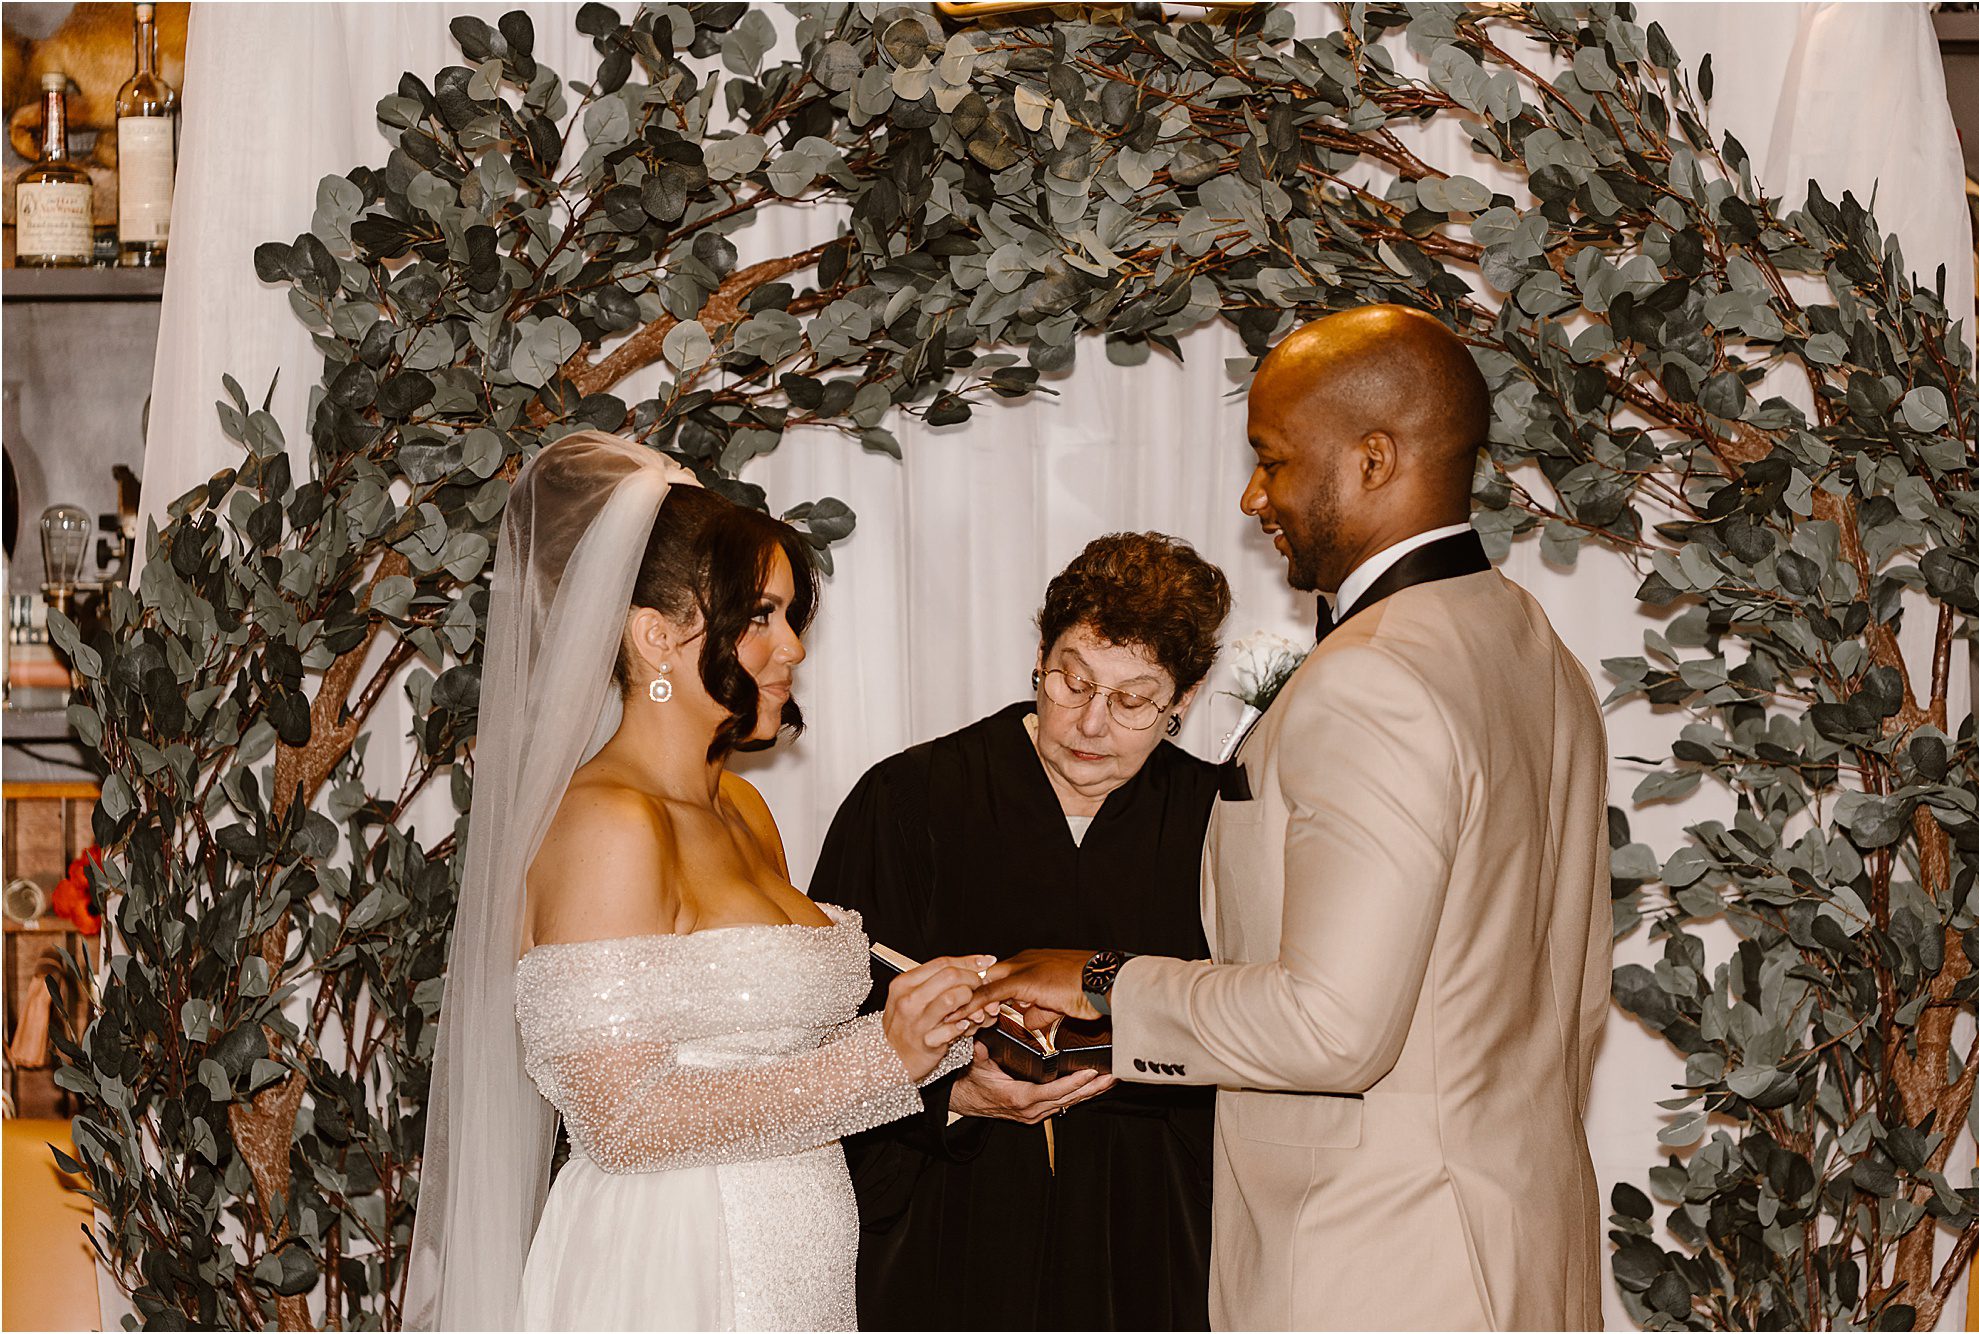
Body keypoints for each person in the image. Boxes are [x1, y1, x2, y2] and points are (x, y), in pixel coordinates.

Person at [973, 306, 1613, 1330]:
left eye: (1271, 458)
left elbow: (1332, 1029)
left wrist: (1099, 980)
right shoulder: (1529, 647)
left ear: (1370, 458)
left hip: (1381, 1264)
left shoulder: (1374, 679)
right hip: (1518, 1245)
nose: (1251, 493)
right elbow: (1561, 994)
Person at [404, 431, 997, 1331]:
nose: (792, 648)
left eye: (792, 617)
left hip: (796, 1250)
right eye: (760, 617)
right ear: (653, 637)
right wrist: (885, 1060)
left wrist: (950, 1049)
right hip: (670, 1265)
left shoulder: (746, 815)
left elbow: (779, 1060)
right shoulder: (609, 824)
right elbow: (622, 1123)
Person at [813, 532, 1231, 1331]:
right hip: (950, 1213)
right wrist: (951, 1094)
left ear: (1187, 695)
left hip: (1159, 1227)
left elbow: (1263, 1020)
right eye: (1071, 681)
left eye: (1134, 699)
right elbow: (826, 1026)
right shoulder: (909, 798)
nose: (1091, 723)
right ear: (1039, 652)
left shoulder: (1220, 820)